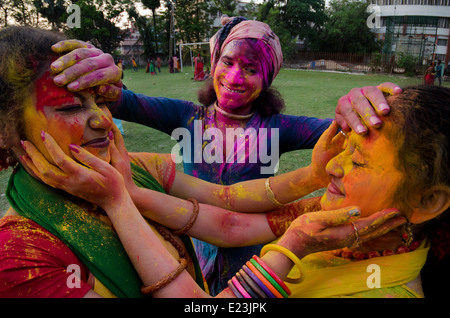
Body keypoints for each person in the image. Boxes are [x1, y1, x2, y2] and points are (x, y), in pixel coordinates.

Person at [0, 26, 401, 298]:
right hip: (208, 262)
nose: (235, 76)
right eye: (228, 62)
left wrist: (370, 106)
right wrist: (110, 83)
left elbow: (227, 208)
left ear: (269, 78)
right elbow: (123, 99)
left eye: (251, 68)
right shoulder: (185, 118)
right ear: (212, 65)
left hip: (249, 251)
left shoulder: (278, 128)